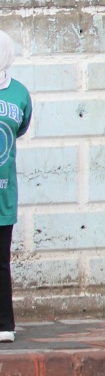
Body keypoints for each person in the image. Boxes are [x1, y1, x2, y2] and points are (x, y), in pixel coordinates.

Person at [0, 31, 30, 343]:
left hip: (3, 193)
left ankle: (4, 324)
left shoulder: (18, 93)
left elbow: (20, 126)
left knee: (1, 262)